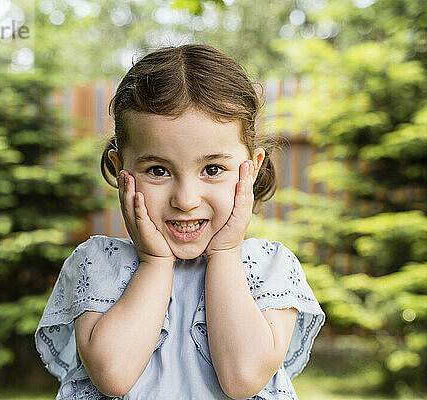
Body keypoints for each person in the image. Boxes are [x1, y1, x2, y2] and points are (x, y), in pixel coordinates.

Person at [35, 44, 326, 400]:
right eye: (158, 170)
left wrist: (225, 253)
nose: (186, 200)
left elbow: (243, 378)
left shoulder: (270, 268)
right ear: (119, 168)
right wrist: (155, 263)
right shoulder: (98, 263)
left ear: (251, 170)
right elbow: (114, 376)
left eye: (213, 169)